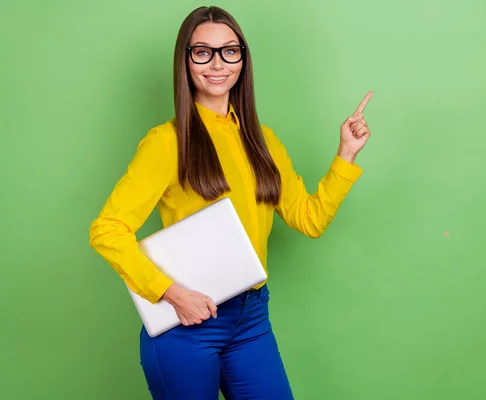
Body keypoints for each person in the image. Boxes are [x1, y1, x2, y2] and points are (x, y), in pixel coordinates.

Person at [89, 5, 372, 400]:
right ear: (185, 61)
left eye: (229, 50)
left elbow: (309, 219)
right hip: (186, 325)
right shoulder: (166, 142)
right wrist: (171, 293)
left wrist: (345, 155)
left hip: (252, 319)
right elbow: (107, 229)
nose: (217, 63)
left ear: (243, 58)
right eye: (202, 51)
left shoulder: (264, 141)